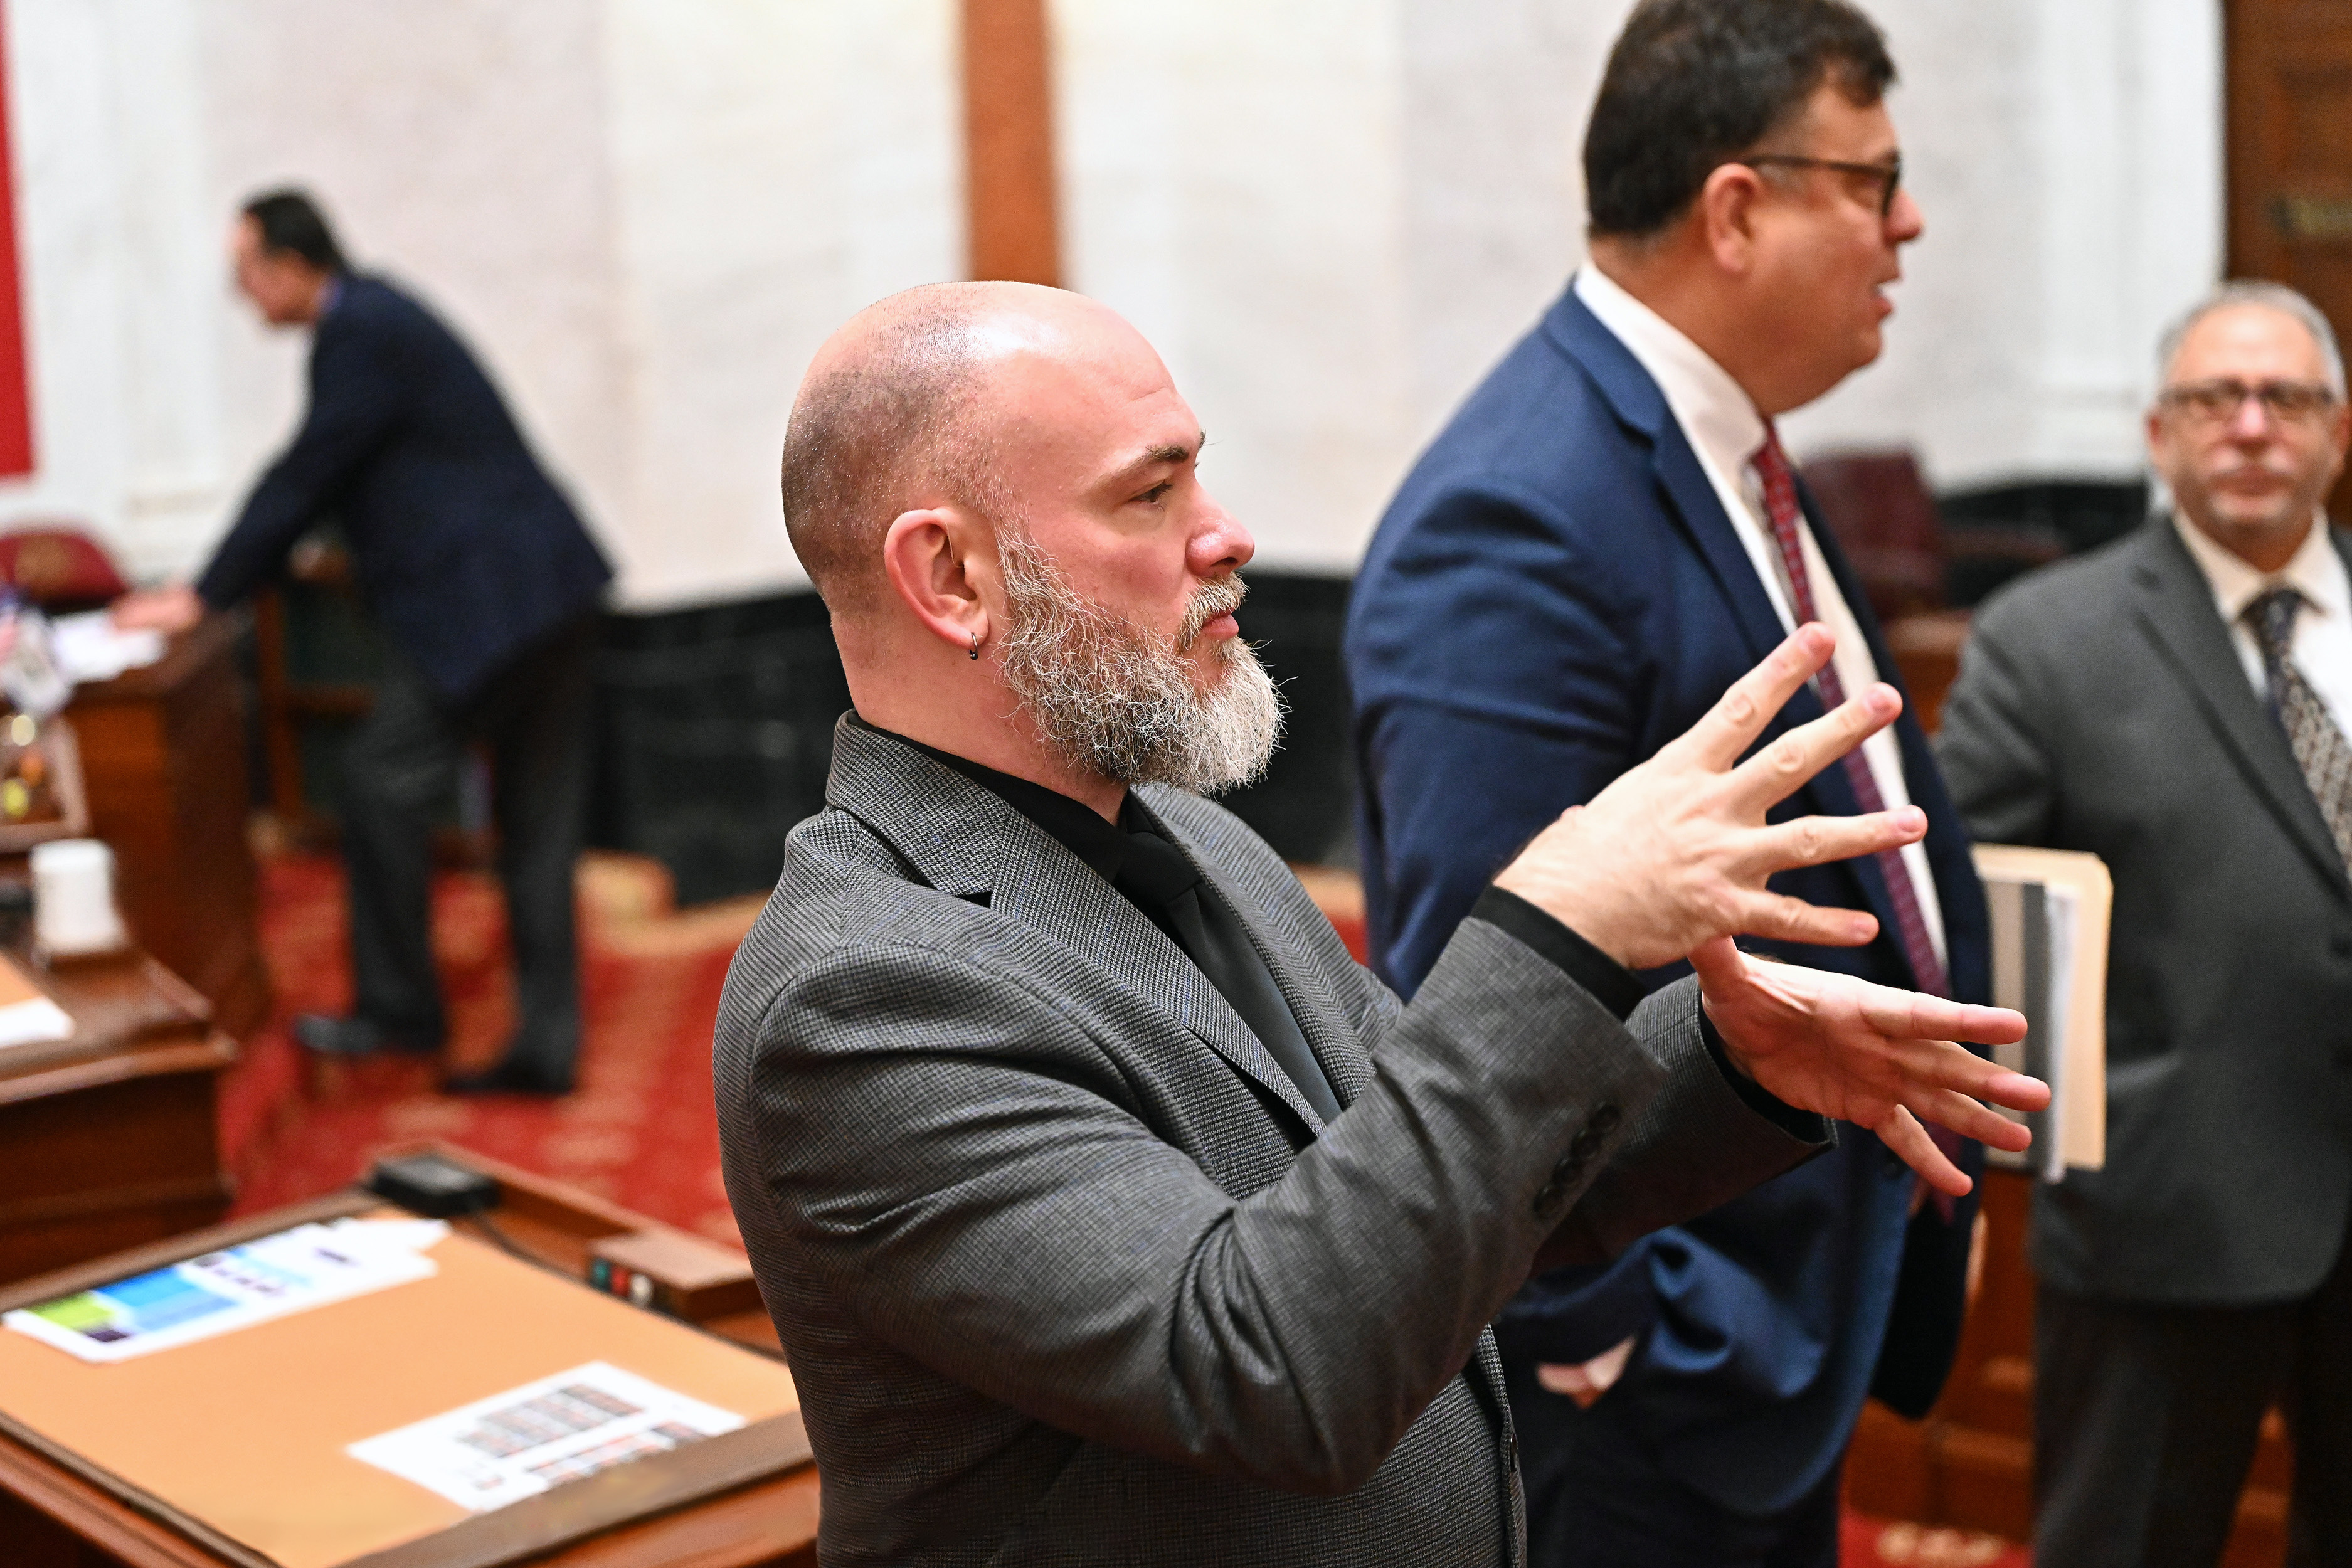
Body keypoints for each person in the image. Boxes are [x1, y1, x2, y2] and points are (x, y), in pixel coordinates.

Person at [713, 279, 2044, 1567]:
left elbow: (1430, 1174)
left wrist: (1724, 1062)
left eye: (1200, 476)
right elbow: (1264, 1364)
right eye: (1151, 491)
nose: (1225, 533)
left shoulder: (1198, 837)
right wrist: (1557, 922)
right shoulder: (859, 990)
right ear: (950, 575)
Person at [1343, 4, 1990, 1563]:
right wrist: (1609, 1335)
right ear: (1738, 208)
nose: (1907, 223)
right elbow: (1467, 1002)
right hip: (1654, 1383)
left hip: (1776, 1325)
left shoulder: (1726, 444)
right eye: (1873, 179)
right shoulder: (1519, 511)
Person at [1937, 280, 2352, 1568]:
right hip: (2161, 1229)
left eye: (2284, 397)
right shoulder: (2043, 642)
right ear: (2157, 434)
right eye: (2210, 399)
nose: (2249, 425)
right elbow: (1965, 916)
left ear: (2336, 432)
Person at [114, 189, 612, 1096]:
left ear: (293, 266)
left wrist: (202, 594)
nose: (245, 297)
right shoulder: (377, 317)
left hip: (493, 606)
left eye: (247, 276)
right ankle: (545, 1044)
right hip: (547, 591)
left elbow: (308, 471)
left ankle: (400, 1008)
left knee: (382, 782)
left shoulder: (361, 331)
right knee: (537, 824)